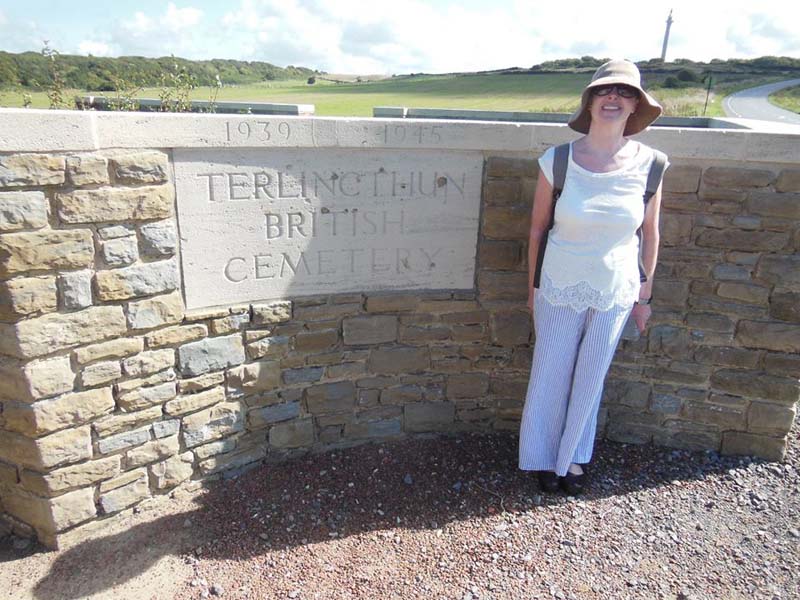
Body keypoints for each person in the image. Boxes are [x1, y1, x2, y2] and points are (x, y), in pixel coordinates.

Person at [518, 59, 669, 495]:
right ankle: (543, 458)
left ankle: (571, 460)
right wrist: (532, 290)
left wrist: (645, 297)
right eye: (605, 91)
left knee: (591, 377)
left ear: (637, 105)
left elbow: (650, 232)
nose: (613, 99)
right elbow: (537, 229)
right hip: (558, 286)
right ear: (590, 100)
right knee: (549, 373)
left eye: (624, 93)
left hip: (616, 291)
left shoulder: (653, 165)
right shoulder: (558, 160)